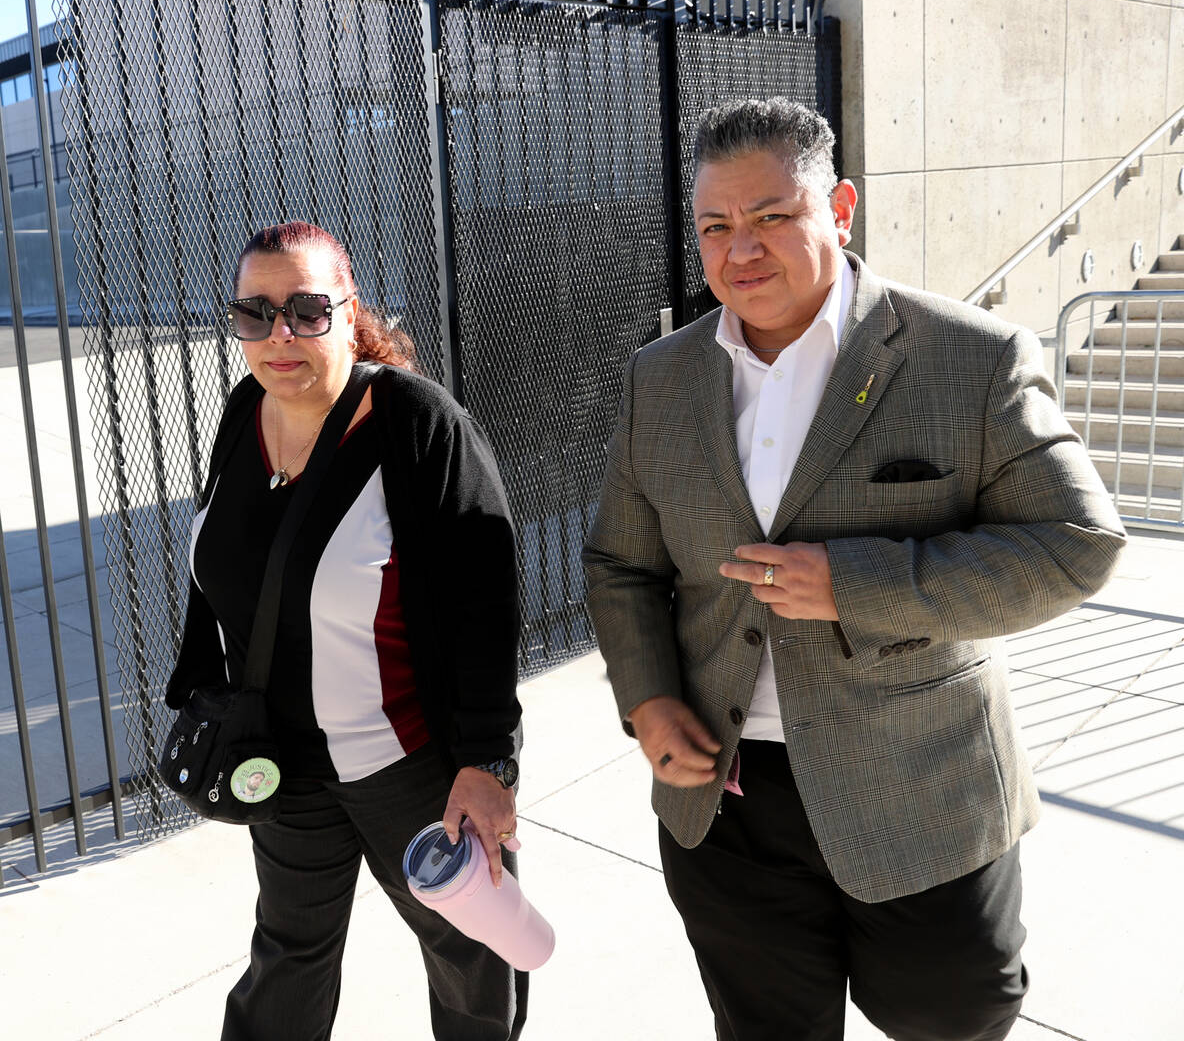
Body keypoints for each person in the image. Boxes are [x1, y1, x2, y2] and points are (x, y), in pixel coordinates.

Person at [582, 98, 1126, 1041]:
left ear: (839, 207)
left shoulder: (970, 358)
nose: (739, 251)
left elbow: (1078, 543)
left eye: (770, 218)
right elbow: (620, 561)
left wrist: (857, 584)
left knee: (955, 1017)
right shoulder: (658, 378)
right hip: (726, 797)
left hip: (921, 792)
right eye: (715, 226)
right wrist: (647, 700)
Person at [164, 221, 527, 1040]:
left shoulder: (416, 426)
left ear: (349, 308)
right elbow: (227, 560)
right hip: (281, 768)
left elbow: (485, 606)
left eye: (304, 309)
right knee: (287, 958)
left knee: (473, 956)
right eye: (254, 314)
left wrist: (486, 761)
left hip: (408, 770)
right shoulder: (244, 410)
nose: (279, 335)